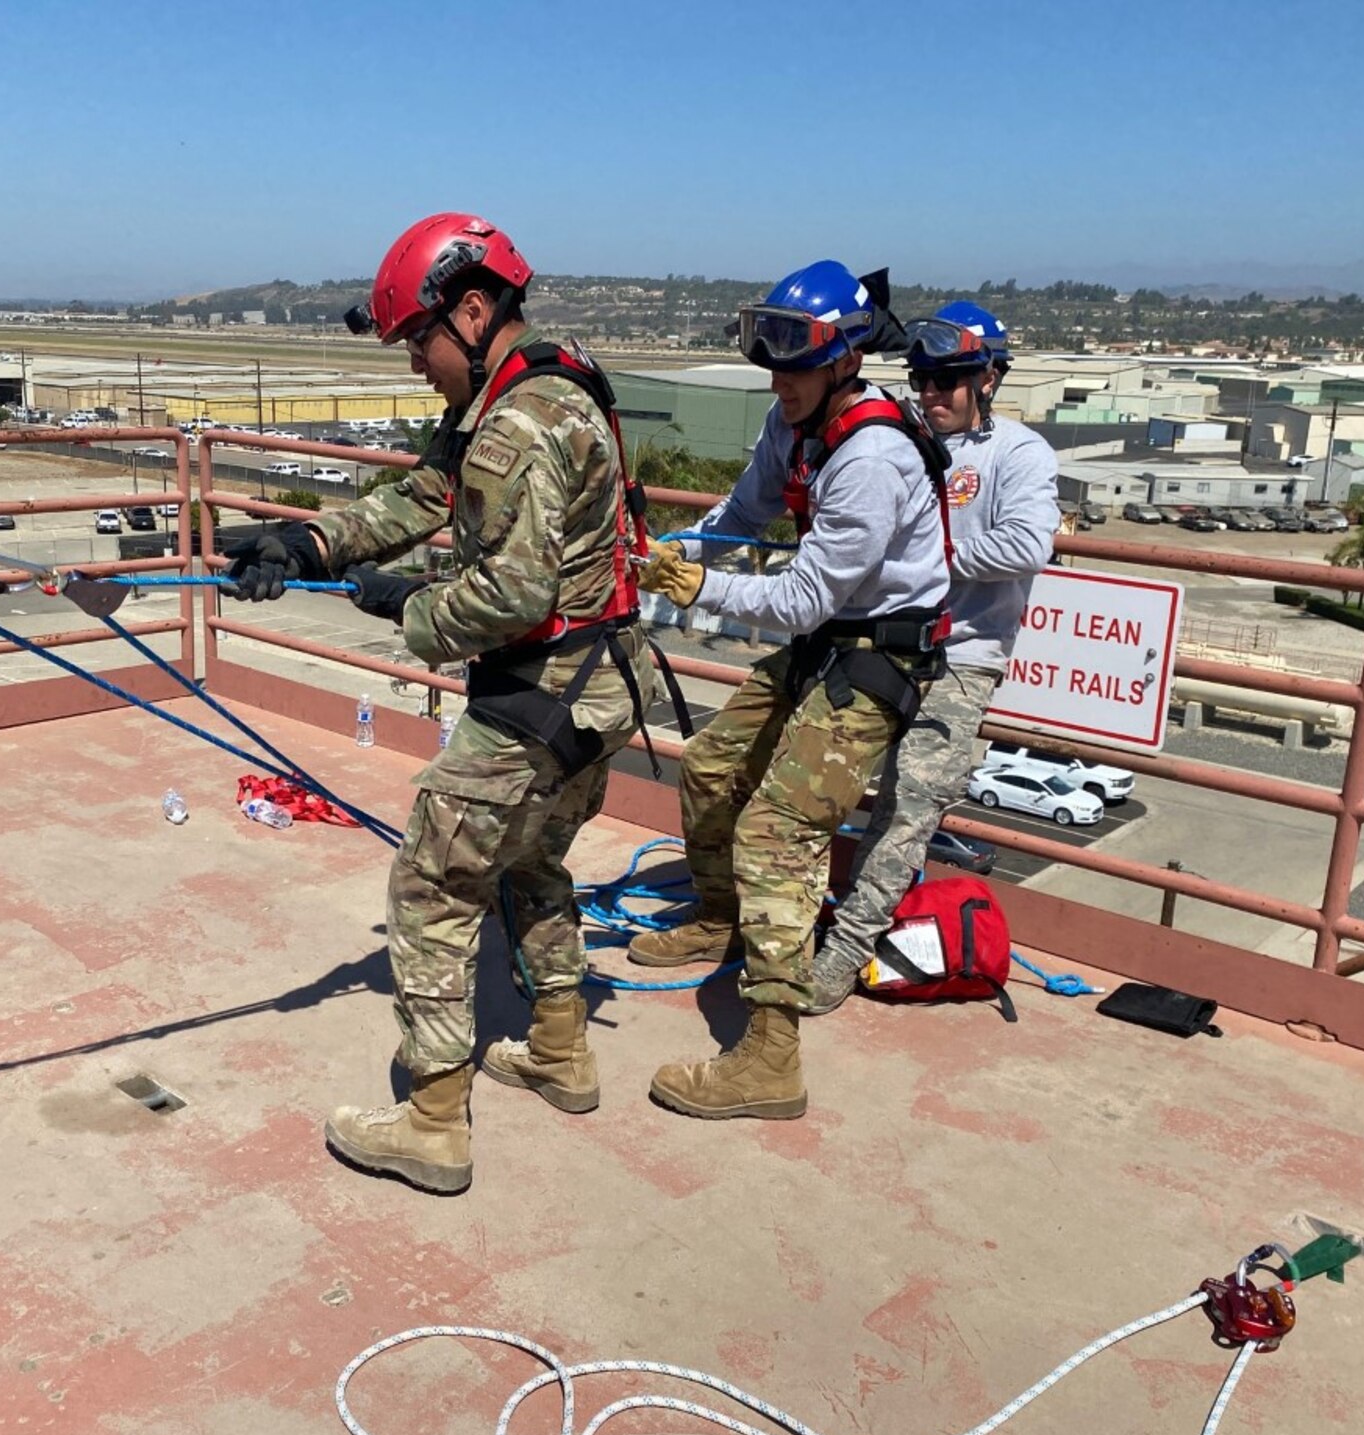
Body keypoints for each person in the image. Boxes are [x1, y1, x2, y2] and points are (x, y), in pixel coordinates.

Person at [221, 212, 657, 1194]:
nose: (413, 362)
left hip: (542, 695)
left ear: (470, 309)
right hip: (600, 686)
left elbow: (509, 596)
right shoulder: (541, 386)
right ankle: (557, 1048)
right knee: (532, 859)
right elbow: (422, 496)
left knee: (429, 886)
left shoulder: (514, 426)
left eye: (417, 339)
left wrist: (408, 605)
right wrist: (309, 547)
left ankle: (431, 1122)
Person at [630, 260, 950, 1120]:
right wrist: (673, 553)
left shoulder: (873, 455)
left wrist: (699, 593)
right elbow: (740, 518)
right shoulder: (794, 423)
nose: (781, 379)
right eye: (771, 360)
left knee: (780, 828)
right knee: (708, 766)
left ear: (844, 358)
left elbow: (806, 595)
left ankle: (772, 1054)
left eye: (797, 362)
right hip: (822, 643)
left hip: (876, 658)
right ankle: (718, 914)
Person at [806, 301, 1060, 1013]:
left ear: (989, 380)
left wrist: (927, 559)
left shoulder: (1020, 454)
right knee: (809, 781)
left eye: (949, 380)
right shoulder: (900, 440)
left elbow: (1026, 545)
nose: (932, 393)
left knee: (909, 806)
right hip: (876, 643)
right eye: (922, 379)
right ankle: (789, 921)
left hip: (963, 658)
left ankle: (845, 953)